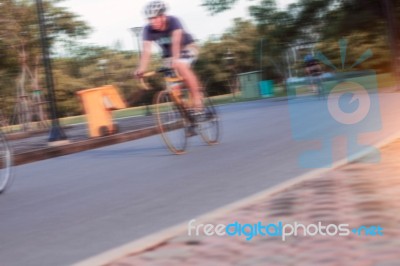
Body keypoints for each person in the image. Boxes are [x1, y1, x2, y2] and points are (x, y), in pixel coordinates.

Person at [135, 0, 203, 111]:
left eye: (155, 18)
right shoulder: (148, 29)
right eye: (150, 19)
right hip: (168, 56)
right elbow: (146, 50)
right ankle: (186, 113)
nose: (153, 21)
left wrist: (176, 59)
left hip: (186, 47)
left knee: (180, 65)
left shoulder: (173, 21)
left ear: (163, 16)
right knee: (172, 90)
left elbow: (176, 41)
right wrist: (141, 68)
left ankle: (197, 97)